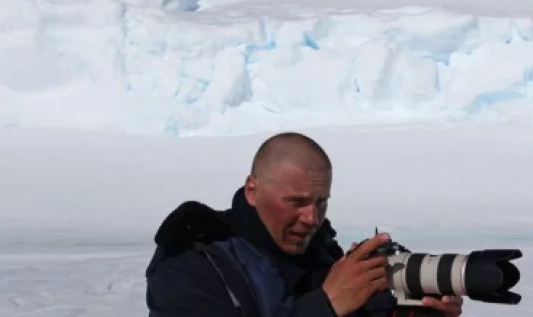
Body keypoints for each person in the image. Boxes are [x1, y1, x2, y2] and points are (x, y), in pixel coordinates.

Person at [145, 132, 463, 317]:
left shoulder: (321, 255)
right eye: (296, 202)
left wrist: (415, 311)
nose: (312, 218)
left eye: (321, 202)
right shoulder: (193, 264)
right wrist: (325, 306)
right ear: (252, 190)